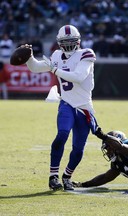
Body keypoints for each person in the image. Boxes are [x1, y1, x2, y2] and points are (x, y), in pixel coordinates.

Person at [23, 25, 108, 191]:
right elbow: (35, 68)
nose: (68, 44)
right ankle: (53, 176)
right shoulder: (56, 55)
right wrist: (29, 57)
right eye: (65, 42)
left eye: (71, 41)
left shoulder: (86, 54)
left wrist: (55, 69)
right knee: (62, 134)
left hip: (84, 107)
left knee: (78, 148)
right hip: (66, 103)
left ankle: (67, 176)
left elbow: (78, 77)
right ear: (59, 43)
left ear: (78, 41)